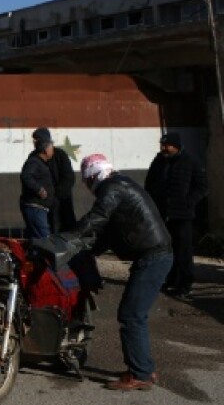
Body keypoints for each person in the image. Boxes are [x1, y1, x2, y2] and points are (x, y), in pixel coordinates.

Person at [74, 153, 173, 391]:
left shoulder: (113, 187)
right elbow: (108, 233)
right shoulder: (120, 183)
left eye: (87, 182)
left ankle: (140, 374)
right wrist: (87, 250)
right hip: (154, 255)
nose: (88, 188)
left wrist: (69, 237)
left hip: (153, 257)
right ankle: (144, 369)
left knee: (131, 315)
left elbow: (97, 218)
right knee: (133, 314)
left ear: (93, 176)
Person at [144, 132, 208, 297]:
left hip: (182, 214)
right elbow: (150, 183)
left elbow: (202, 186)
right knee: (167, 249)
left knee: (183, 251)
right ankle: (171, 279)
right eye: (162, 145)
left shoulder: (190, 161)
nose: (164, 148)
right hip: (162, 214)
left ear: (176, 146)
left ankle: (185, 284)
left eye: (167, 145)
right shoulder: (159, 162)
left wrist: (189, 201)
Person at [33, 127, 76, 230]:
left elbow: (69, 178)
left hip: (62, 201)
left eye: (37, 140)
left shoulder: (60, 155)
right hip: (44, 203)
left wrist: (55, 194)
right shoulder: (34, 157)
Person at [20, 138, 57, 239]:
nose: (53, 151)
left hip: (40, 208)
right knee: (44, 240)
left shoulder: (42, 163)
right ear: (45, 150)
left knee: (38, 240)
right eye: (51, 148)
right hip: (35, 208)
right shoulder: (34, 162)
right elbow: (26, 176)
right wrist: (39, 189)